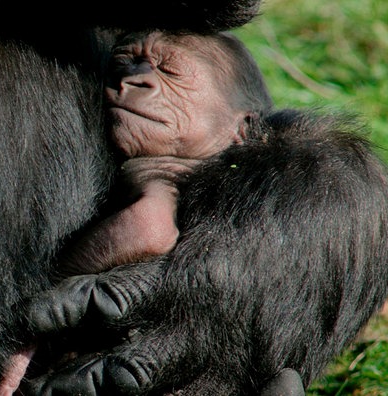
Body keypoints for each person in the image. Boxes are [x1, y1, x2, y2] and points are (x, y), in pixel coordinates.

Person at [55, 30, 273, 279]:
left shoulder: (166, 171)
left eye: (169, 72)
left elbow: (150, 230)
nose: (130, 80)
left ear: (243, 126)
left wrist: (60, 275)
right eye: (125, 65)